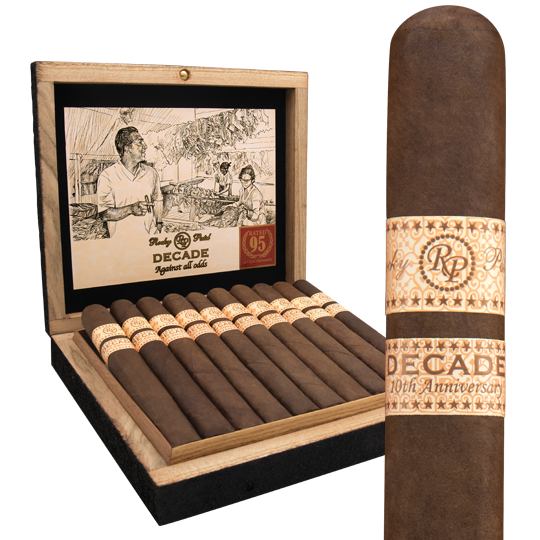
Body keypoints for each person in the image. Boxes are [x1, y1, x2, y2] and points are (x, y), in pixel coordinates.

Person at [97, 127, 163, 237]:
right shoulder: (107, 176)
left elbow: (157, 200)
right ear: (127, 148)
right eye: (139, 142)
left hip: (149, 237)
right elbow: (104, 214)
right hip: (121, 240)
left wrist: (159, 225)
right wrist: (130, 209)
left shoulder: (151, 173)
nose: (145, 146)